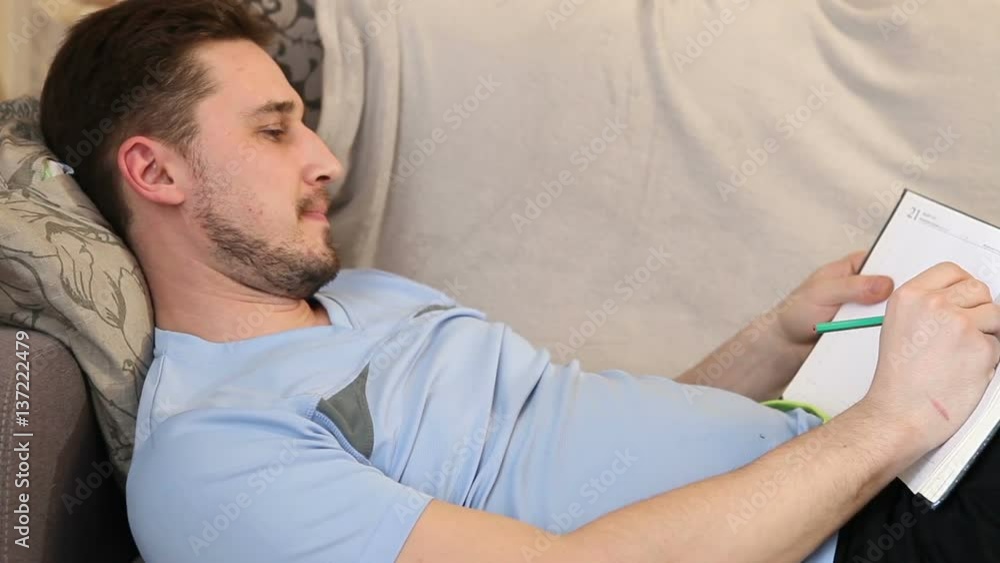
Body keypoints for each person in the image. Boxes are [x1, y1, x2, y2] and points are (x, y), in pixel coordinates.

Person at [39, 1, 1000, 562]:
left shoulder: (364, 296)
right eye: (274, 127)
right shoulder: (209, 457)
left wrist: (778, 337)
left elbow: (592, 447)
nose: (326, 159)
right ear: (154, 172)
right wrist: (895, 419)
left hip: (865, 467)